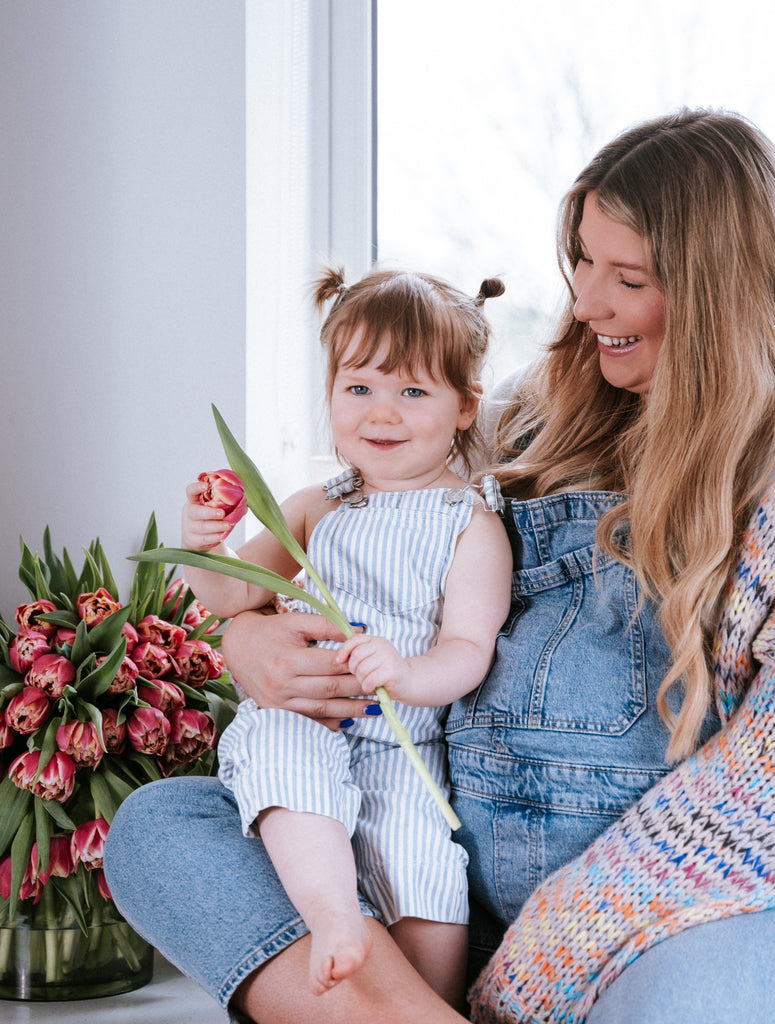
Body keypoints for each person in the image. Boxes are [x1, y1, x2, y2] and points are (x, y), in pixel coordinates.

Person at [106, 109, 775, 1024]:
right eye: (581, 261)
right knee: (160, 831)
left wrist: (541, 964)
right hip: (462, 902)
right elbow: (330, 545)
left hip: (727, 913)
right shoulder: (530, 419)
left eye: (629, 278)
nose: (584, 303)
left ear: (720, 293)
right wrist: (246, 640)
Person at [174, 266, 512, 1006]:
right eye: (358, 388)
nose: (381, 414)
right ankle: (332, 919)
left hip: (404, 744)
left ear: (465, 407)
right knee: (279, 752)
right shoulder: (315, 506)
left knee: (425, 869)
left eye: (413, 392)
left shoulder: (471, 525)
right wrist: (209, 544)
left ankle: (431, 1006)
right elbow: (233, 596)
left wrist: (403, 672)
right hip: (307, 719)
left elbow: (466, 650)